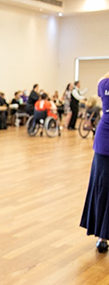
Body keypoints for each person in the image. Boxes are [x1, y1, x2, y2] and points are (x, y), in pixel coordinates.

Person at [80, 72, 109, 253]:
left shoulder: (104, 83)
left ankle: (102, 237)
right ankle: (103, 236)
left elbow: (102, 78)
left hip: (103, 139)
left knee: (102, 187)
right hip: (104, 142)